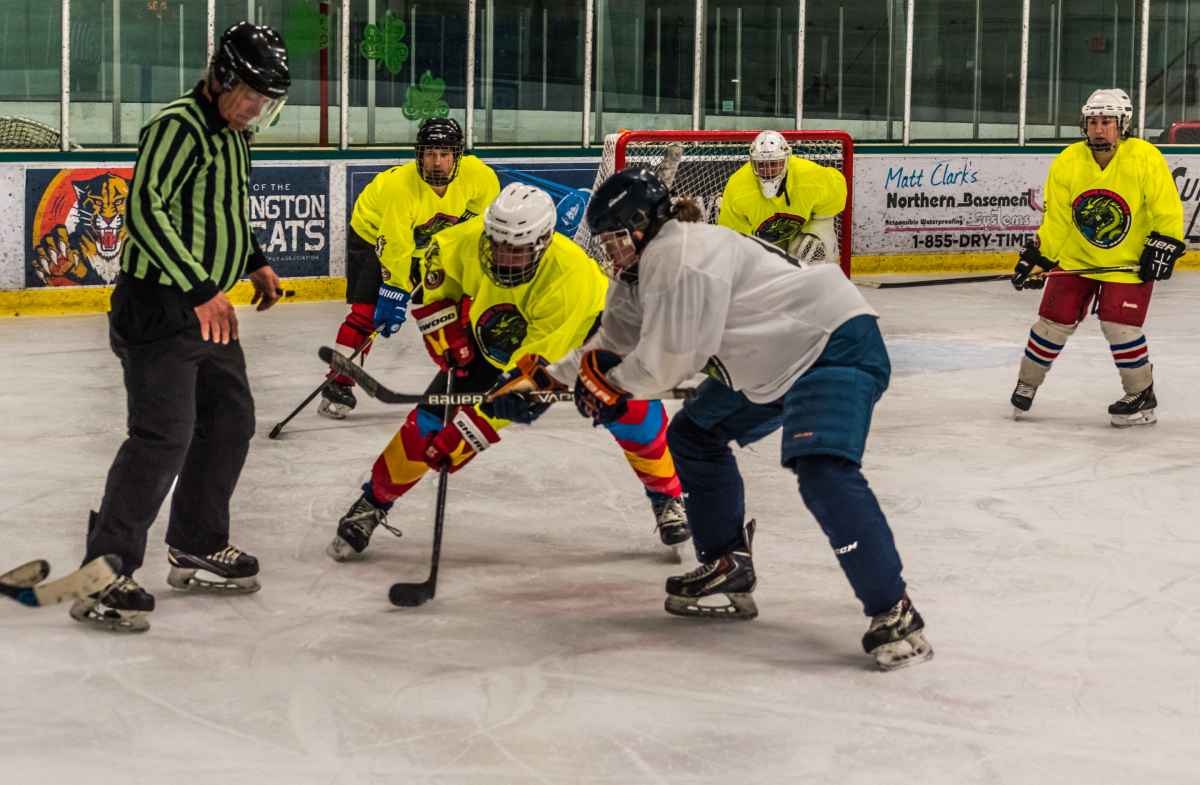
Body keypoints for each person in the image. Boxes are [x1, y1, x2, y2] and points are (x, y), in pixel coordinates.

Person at [491, 169, 932, 671]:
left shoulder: (680, 254)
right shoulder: (641, 272)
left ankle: (893, 611)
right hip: (770, 365)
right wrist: (543, 383)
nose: (609, 250)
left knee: (822, 469)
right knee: (694, 434)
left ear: (640, 224)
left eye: (614, 236)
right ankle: (728, 563)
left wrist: (608, 387)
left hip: (831, 344)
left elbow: (669, 360)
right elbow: (612, 347)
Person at [326, 183, 690, 561]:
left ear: (544, 242)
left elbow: (525, 379)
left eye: (515, 250)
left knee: (634, 415)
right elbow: (437, 273)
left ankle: (668, 498)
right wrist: (445, 329)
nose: (501, 256)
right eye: (496, 243)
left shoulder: (569, 276)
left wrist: (466, 435)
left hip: (586, 340)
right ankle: (372, 503)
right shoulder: (464, 240)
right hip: (494, 337)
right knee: (425, 427)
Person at [69, 22, 291, 633]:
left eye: (266, 101)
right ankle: (102, 573)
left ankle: (196, 539)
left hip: (208, 308)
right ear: (220, 75)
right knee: (162, 436)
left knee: (230, 421)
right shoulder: (177, 126)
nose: (255, 108)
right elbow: (144, 211)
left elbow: (226, 209)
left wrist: (255, 260)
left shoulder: (236, 136)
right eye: (249, 93)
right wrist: (200, 291)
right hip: (162, 309)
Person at [1010, 88, 1184, 427]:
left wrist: (1166, 244)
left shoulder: (1144, 157)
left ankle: (1141, 393)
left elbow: (1167, 207)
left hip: (1128, 261)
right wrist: (1041, 258)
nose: (1099, 129)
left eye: (1107, 122)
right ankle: (1027, 384)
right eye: (1093, 122)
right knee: (1051, 322)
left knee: (1120, 327)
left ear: (1123, 125)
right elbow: (1058, 220)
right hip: (1077, 259)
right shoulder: (1068, 160)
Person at [319, 118, 501, 419]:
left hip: (431, 244)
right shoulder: (401, 187)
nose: (437, 162)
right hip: (372, 235)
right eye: (430, 153)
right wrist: (393, 290)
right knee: (368, 314)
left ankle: (472, 378)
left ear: (458, 155)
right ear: (419, 154)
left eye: (445, 154)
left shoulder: (480, 177)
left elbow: (478, 229)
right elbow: (394, 247)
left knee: (465, 305)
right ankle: (338, 383)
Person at [717, 130, 847, 265]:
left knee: (813, 250)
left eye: (773, 163)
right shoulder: (738, 187)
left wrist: (818, 224)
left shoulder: (811, 176)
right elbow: (737, 240)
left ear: (787, 159)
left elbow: (837, 191)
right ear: (752, 162)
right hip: (766, 242)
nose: (768, 171)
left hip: (804, 228)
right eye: (761, 164)